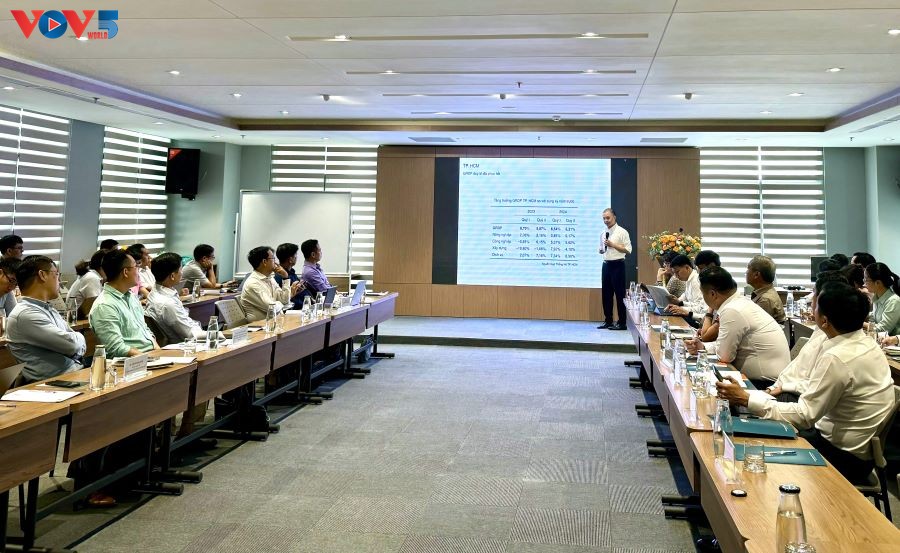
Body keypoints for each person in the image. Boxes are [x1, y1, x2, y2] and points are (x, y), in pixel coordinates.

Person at [716, 283, 894, 484]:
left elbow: (804, 416)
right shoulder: (866, 343)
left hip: (841, 456)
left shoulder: (837, 357)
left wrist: (747, 399)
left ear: (824, 320)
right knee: (762, 414)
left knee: (753, 441)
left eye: (815, 305)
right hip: (861, 454)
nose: (811, 308)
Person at [685, 267, 790, 386]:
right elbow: (724, 345)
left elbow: (724, 356)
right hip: (768, 379)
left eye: (703, 294)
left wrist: (705, 348)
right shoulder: (739, 302)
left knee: (697, 382)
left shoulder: (732, 310)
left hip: (764, 384)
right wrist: (703, 346)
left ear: (713, 294)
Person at [762, 270, 848, 402]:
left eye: (813, 293)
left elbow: (815, 385)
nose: (811, 301)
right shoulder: (823, 330)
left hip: (796, 395)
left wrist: (781, 388)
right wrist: (772, 388)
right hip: (785, 387)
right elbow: (796, 370)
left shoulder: (832, 338)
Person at [6, 255, 86, 383]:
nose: (59, 280)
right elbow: (72, 345)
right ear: (42, 275)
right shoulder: (25, 314)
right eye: (57, 274)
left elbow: (72, 343)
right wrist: (80, 338)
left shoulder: (47, 308)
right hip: (54, 384)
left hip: (71, 376)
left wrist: (76, 342)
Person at [89, 249, 157, 358]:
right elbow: (116, 348)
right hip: (130, 363)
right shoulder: (105, 305)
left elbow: (145, 330)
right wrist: (149, 358)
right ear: (125, 272)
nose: (138, 271)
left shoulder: (131, 297)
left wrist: (158, 351)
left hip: (149, 356)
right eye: (136, 266)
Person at [145, 252, 208, 344]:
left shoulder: (154, 293)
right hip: (184, 345)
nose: (182, 273)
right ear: (172, 276)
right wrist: (215, 335)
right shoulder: (168, 304)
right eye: (180, 269)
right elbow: (190, 334)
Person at [240, 246, 302, 322]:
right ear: (264, 262)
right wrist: (281, 304)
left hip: (276, 321)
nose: (276, 262)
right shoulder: (253, 283)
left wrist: (285, 277)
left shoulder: (270, 278)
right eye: (273, 258)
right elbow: (272, 308)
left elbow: (284, 300)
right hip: (260, 326)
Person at [596, 208, 631, 330]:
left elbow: (628, 250)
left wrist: (613, 245)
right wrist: (601, 250)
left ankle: (622, 323)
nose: (606, 220)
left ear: (614, 217)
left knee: (620, 294)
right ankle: (608, 321)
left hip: (618, 265)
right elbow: (602, 248)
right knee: (606, 294)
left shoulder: (622, 232)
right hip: (606, 265)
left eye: (608, 218)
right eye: (604, 218)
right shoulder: (603, 233)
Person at [664, 254, 707, 323]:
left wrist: (682, 308)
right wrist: (678, 302)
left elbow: (699, 307)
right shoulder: (688, 279)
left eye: (677, 272)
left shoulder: (696, 281)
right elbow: (685, 298)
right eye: (674, 273)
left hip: (697, 320)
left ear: (687, 268)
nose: (676, 276)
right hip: (694, 317)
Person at [745, 255, 786, 324]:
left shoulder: (765, 300)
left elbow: (753, 325)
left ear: (756, 275)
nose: (746, 272)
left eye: (748, 269)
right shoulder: (765, 293)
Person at [864, 262, 900, 336]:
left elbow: (883, 329)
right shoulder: (876, 297)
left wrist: (861, 324)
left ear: (878, 283)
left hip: (891, 340)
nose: (864, 283)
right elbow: (874, 319)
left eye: (866, 280)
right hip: (880, 338)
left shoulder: (894, 301)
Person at [66, 250, 105, 318]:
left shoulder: (89, 275)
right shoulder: (92, 278)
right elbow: (86, 310)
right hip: (77, 321)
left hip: (76, 318)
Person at [693, 250, 722, 341]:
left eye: (701, 268)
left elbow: (706, 337)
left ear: (712, 266)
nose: (699, 273)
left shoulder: (719, 286)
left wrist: (709, 311)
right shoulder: (708, 284)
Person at [274, 243, 307, 309]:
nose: (297, 257)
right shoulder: (280, 277)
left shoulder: (292, 272)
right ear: (290, 259)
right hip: (294, 310)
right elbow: (284, 301)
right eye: (296, 255)